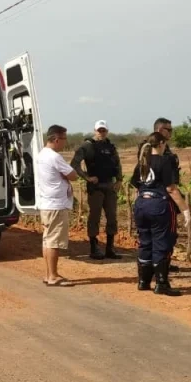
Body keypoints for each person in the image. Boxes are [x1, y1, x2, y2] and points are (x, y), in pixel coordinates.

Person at [132, 134, 190, 296]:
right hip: (159, 206)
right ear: (162, 143)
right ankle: (161, 284)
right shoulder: (164, 162)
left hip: (142, 205)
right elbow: (171, 189)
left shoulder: (142, 162)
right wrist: (185, 210)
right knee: (162, 243)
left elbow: (136, 187)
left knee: (145, 242)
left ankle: (143, 281)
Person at [137, 118, 186, 271]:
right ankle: (160, 273)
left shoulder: (159, 150)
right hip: (161, 198)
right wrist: (185, 210)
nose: (171, 133)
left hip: (147, 201)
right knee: (162, 237)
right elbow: (169, 186)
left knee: (153, 238)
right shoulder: (152, 151)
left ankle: (151, 273)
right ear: (159, 130)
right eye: (168, 130)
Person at [70, 120, 123, 260]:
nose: (101, 133)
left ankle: (110, 248)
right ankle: (94, 248)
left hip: (110, 186)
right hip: (96, 188)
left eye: (104, 130)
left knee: (112, 217)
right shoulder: (87, 146)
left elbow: (117, 164)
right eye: (99, 130)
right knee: (94, 217)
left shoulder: (111, 147)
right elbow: (74, 164)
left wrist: (119, 180)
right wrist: (87, 177)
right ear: (95, 130)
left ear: (107, 131)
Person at [35, 124, 79, 287]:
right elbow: (73, 175)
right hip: (56, 205)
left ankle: (49, 274)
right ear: (55, 139)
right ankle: (52, 276)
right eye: (63, 139)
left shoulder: (42, 155)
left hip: (47, 202)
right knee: (54, 241)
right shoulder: (54, 157)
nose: (65, 143)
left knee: (47, 240)